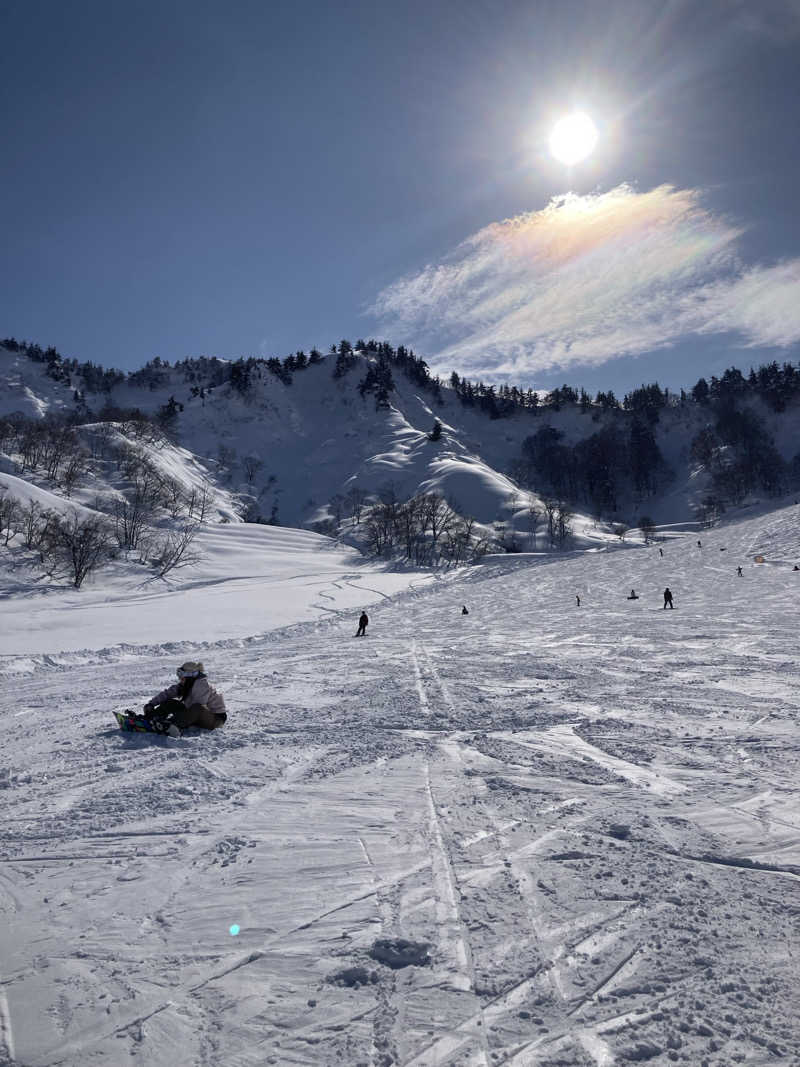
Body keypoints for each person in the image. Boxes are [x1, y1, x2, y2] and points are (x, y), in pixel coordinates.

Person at [144, 661, 227, 735]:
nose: (179, 679)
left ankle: (170, 725)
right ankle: (152, 717)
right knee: (170, 702)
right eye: (179, 675)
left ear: (190, 676)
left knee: (197, 707)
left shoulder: (202, 685)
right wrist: (151, 704)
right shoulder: (187, 684)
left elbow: (198, 708)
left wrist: (173, 720)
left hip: (215, 720)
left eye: (181, 676)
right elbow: (168, 693)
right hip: (197, 715)